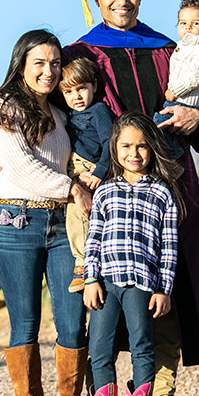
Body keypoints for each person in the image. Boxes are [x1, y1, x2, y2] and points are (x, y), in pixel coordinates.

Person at [0, 0, 199, 396]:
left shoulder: (169, 50)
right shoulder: (80, 55)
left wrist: (198, 118)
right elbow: (37, 115)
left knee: (166, 289)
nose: (123, 1)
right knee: (99, 295)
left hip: (168, 186)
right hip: (103, 193)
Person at [0, 29, 90, 396]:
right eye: (39, 64)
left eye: (55, 63)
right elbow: (23, 169)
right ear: (22, 66)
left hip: (63, 227)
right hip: (17, 225)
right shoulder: (3, 106)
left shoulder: (61, 112)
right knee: (25, 324)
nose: (49, 71)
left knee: (71, 321)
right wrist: (71, 188)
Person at [70, 112, 183, 396]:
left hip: (141, 285)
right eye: (126, 146)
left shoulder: (163, 194)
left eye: (142, 146)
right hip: (106, 283)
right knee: (99, 350)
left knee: (142, 347)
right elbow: (94, 239)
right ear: (114, 148)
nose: (134, 153)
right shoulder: (105, 192)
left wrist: (164, 288)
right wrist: (91, 279)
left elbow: (169, 246)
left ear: (152, 149)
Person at [57, 57, 113, 293]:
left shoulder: (99, 110)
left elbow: (111, 141)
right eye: (69, 92)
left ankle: (82, 266)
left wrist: (101, 170)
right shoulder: (66, 116)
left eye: (81, 89)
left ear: (94, 87)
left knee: (79, 214)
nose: (76, 96)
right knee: (76, 216)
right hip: (72, 172)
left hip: (91, 170)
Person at [152, 0, 199, 160]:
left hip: (182, 101)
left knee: (156, 127)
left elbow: (196, 78)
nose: (188, 27)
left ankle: (171, 160)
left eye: (196, 23)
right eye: (183, 23)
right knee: (163, 129)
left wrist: (174, 92)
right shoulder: (185, 48)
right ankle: (171, 157)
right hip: (181, 100)